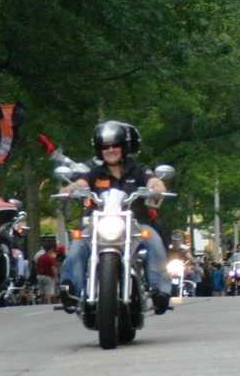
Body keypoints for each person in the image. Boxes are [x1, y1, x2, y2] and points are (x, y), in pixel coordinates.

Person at [59, 120, 172, 315]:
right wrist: (70, 189)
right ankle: (71, 291)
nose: (110, 150)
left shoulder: (138, 169)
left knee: (155, 242)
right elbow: (81, 183)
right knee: (77, 246)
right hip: (100, 226)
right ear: (99, 150)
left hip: (135, 226)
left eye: (115, 145)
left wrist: (157, 188)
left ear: (124, 147)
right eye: (105, 147)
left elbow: (153, 180)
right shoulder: (95, 172)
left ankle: (160, 291)